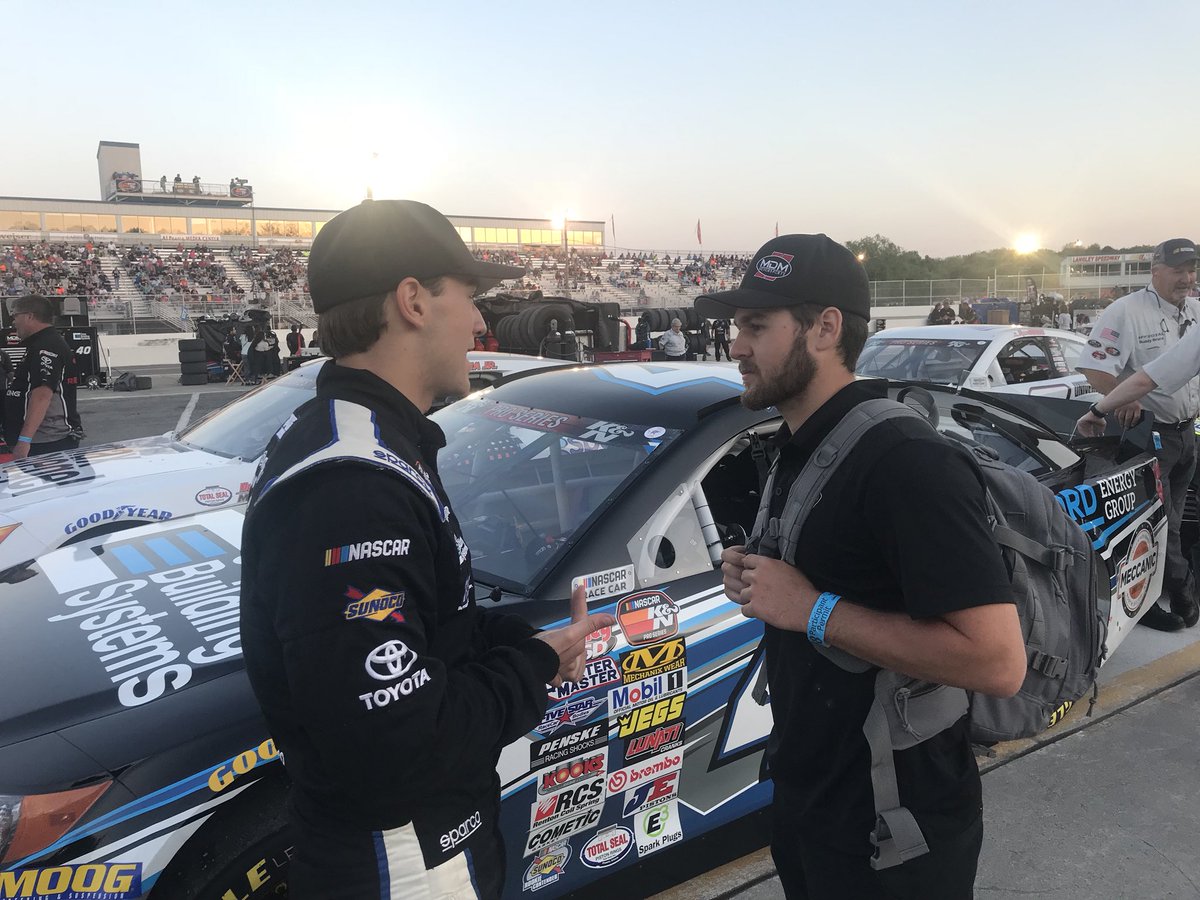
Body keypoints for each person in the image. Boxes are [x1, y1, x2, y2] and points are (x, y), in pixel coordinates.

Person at [239, 198, 614, 900]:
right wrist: (535, 664)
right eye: (470, 299)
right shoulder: (352, 484)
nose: (480, 323)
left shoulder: (355, 433)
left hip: (411, 839)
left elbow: (425, 631)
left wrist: (519, 638)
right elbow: (396, 741)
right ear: (412, 301)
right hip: (400, 855)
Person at [696, 234, 1024, 900]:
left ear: (824, 328)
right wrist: (760, 580)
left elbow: (997, 662)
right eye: (737, 326)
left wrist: (813, 609)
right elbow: (822, 581)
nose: (735, 345)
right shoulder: (798, 443)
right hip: (811, 801)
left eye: (756, 326)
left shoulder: (905, 461)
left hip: (895, 834)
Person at [1076, 238, 1200, 632]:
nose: (1186, 278)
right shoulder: (1127, 311)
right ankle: (1172, 599)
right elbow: (1093, 369)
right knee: (1157, 524)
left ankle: (1162, 592)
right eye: (1177, 270)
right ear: (1155, 270)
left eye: (1191, 269)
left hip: (1186, 434)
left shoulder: (1195, 311)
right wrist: (1123, 400)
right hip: (1149, 436)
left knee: (1174, 521)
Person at [3, 295, 81, 459]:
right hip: (43, 441)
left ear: (29, 316)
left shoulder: (46, 346)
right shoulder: (42, 343)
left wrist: (24, 440)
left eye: (15, 316)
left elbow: (42, 395)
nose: (13, 322)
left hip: (46, 443)